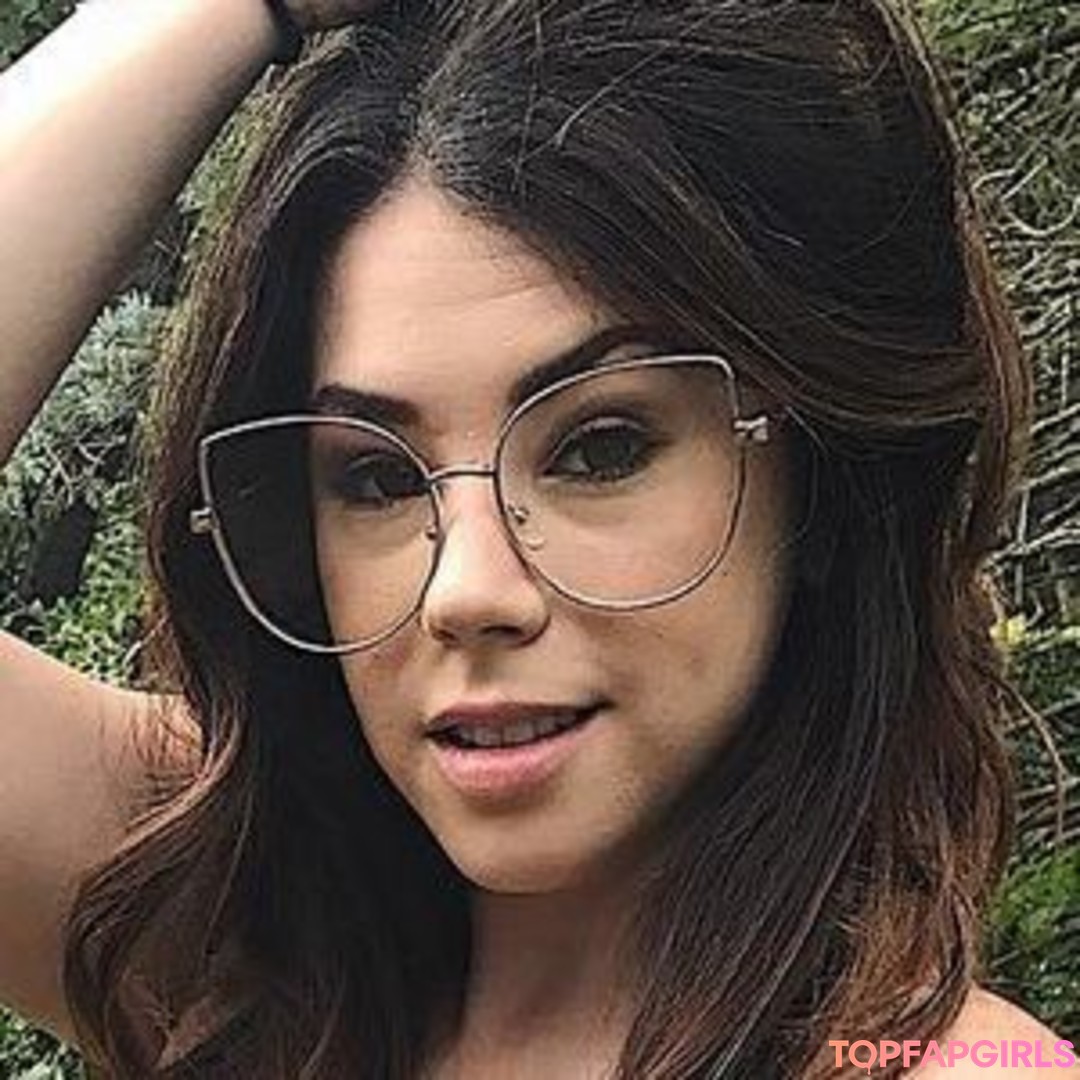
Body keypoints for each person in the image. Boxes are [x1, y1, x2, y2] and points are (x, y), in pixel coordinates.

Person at [0, 0, 1073, 1076]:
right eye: (376, 477)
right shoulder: (237, 937)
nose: (466, 591)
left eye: (600, 449)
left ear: (823, 478)